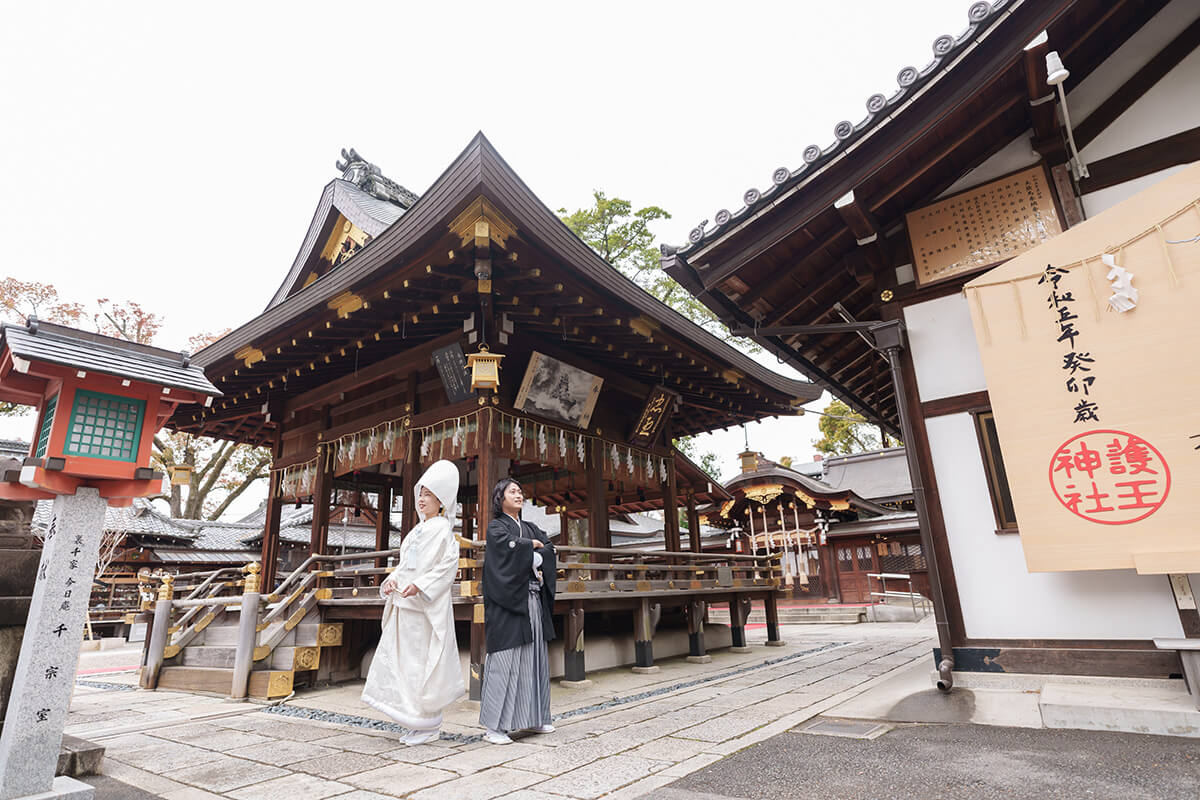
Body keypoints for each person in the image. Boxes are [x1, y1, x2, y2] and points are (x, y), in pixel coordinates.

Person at [361, 459, 464, 746]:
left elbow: (445, 568)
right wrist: (392, 580)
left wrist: (418, 586)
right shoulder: (416, 530)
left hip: (422, 609)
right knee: (402, 665)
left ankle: (427, 724)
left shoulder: (443, 531)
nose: (421, 500)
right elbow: (405, 564)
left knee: (421, 665)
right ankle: (412, 720)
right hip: (403, 606)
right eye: (420, 494)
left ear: (441, 501)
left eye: (428, 495)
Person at [478, 477, 557, 744]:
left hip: (532, 601)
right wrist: (530, 549)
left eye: (520, 491)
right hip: (507, 603)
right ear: (500, 498)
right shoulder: (496, 528)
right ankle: (494, 727)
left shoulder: (531, 527)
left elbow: (549, 548)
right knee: (506, 660)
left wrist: (533, 551)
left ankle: (534, 719)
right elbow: (505, 550)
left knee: (534, 658)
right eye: (512, 491)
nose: (518, 495)